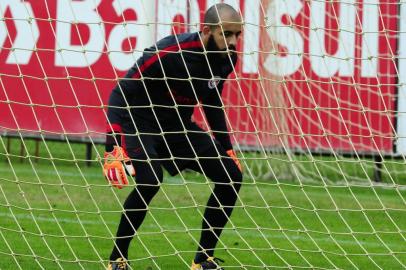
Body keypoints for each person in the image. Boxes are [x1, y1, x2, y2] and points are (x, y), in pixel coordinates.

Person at [103, 3, 243, 270]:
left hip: (177, 126)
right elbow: (120, 93)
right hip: (141, 121)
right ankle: (117, 259)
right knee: (150, 180)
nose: (233, 42)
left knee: (232, 176)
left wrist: (227, 149)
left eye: (237, 34)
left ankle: (203, 260)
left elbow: (212, 100)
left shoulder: (227, 59)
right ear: (206, 31)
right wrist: (113, 147)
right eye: (226, 34)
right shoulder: (169, 51)